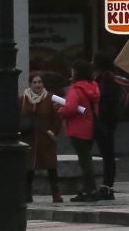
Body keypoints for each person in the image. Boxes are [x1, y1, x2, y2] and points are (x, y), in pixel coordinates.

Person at [90, 52, 129, 201]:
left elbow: (106, 103)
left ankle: (107, 187)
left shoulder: (106, 80)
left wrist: (100, 118)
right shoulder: (109, 78)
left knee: (108, 155)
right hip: (109, 121)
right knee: (107, 155)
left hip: (105, 121)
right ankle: (107, 186)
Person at [59, 59, 102, 202]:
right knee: (86, 158)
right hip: (91, 126)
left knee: (84, 161)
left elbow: (70, 108)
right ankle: (88, 189)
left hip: (77, 128)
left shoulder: (76, 89)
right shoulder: (94, 86)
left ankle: (89, 190)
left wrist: (61, 111)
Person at [18, 74, 63, 204]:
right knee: (28, 167)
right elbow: (17, 117)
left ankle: (56, 193)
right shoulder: (23, 100)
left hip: (45, 138)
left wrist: (53, 132)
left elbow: (57, 118)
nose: (38, 85)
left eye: (40, 82)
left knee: (51, 166)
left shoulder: (49, 99)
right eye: (35, 82)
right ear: (30, 84)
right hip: (28, 138)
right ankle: (27, 193)